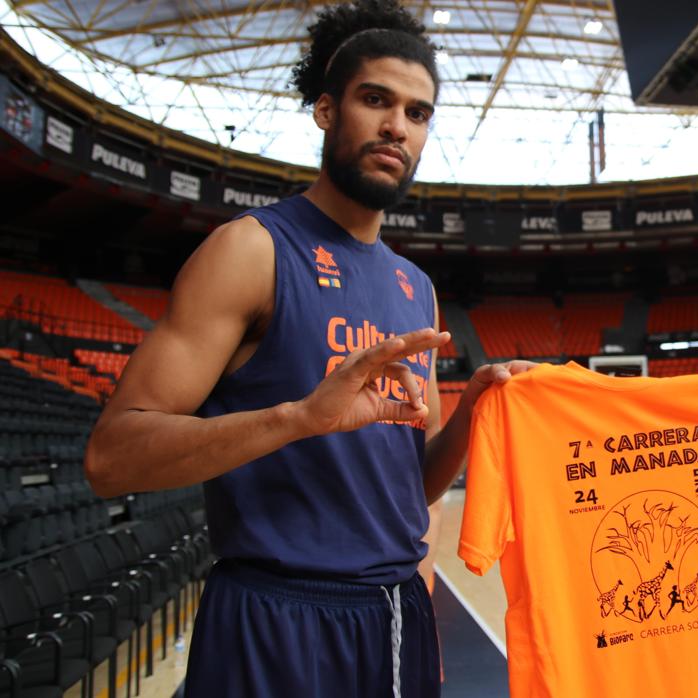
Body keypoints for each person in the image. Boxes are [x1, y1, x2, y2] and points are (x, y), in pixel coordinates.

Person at [84, 1, 528, 695]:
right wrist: (299, 419)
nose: (396, 127)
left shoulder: (416, 288)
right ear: (325, 111)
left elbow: (412, 488)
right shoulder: (250, 250)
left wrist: (472, 410)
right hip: (272, 616)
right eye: (375, 100)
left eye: (417, 113)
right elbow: (111, 459)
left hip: (395, 618)